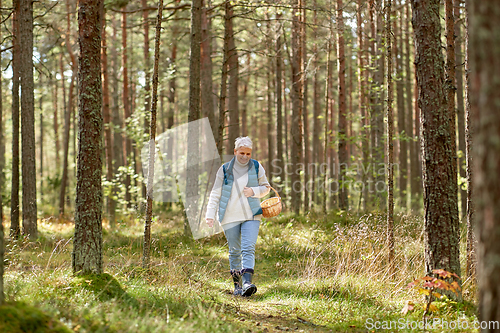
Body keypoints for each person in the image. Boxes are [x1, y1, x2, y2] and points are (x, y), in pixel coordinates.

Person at [206, 136, 270, 296]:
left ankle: (248, 283)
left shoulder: (256, 167)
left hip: (251, 215)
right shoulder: (225, 169)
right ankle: (238, 286)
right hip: (229, 217)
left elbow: (266, 187)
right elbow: (215, 194)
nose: (245, 156)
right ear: (235, 152)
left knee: (248, 248)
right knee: (234, 251)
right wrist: (210, 214)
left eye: (248, 154)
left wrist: (254, 192)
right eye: (242, 153)